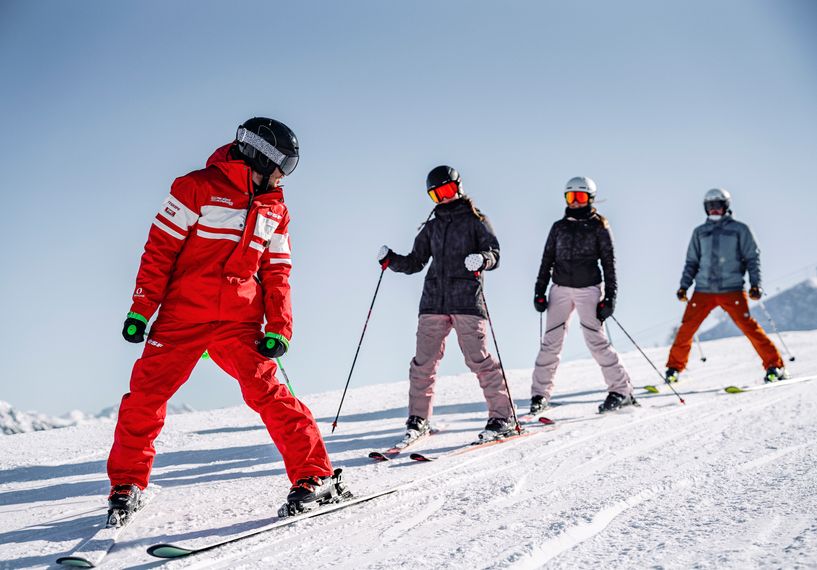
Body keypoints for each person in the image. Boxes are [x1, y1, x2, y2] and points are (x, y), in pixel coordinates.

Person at [106, 118, 341, 525]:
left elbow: (277, 271)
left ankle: (314, 475)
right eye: (283, 163)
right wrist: (141, 309)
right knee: (145, 398)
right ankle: (127, 483)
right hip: (183, 316)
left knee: (271, 395)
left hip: (239, 322)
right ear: (258, 154)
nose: (285, 174)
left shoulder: (275, 207)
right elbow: (159, 251)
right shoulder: (194, 188)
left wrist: (279, 328)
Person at [378, 165, 515, 442]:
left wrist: (483, 259)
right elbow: (415, 262)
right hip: (433, 302)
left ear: (459, 187)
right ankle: (418, 419)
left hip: (466, 300)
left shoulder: (477, 221)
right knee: (422, 364)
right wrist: (391, 260)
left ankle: (502, 417)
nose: (443, 198)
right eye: (436, 194)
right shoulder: (432, 227)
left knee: (479, 360)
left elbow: (495, 253)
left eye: (448, 190)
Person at [530, 177, 636, 414]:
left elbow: (609, 263)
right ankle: (539, 395)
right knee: (550, 342)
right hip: (559, 289)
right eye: (570, 197)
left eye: (579, 197)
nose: (575, 202)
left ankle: (621, 389)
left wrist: (610, 298)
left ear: (590, 198)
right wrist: (539, 290)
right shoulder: (559, 227)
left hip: (588, 288)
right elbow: (547, 259)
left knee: (595, 340)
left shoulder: (599, 226)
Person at [664, 188, 787, 383]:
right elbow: (692, 262)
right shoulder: (700, 232)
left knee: (749, 327)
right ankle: (673, 369)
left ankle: (775, 366)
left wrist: (756, 284)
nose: (714, 209)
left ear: (726, 206)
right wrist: (684, 286)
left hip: (732, 289)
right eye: (710, 206)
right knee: (687, 328)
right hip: (703, 289)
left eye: (718, 205)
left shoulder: (739, 230)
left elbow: (752, 258)